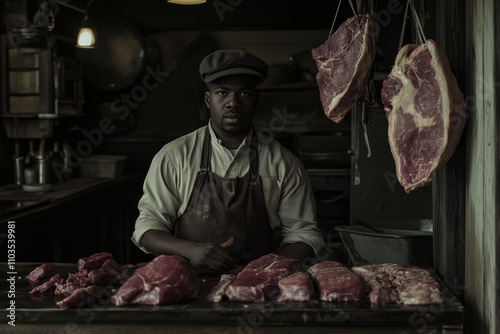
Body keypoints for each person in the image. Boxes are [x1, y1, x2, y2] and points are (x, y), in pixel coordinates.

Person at [132, 49, 324, 273]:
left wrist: (260, 273)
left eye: (244, 93)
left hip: (258, 290)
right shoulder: (174, 156)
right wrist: (189, 250)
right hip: (186, 285)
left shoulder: (283, 162)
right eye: (222, 93)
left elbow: (304, 235)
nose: (233, 103)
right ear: (207, 99)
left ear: (256, 99)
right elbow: (147, 228)